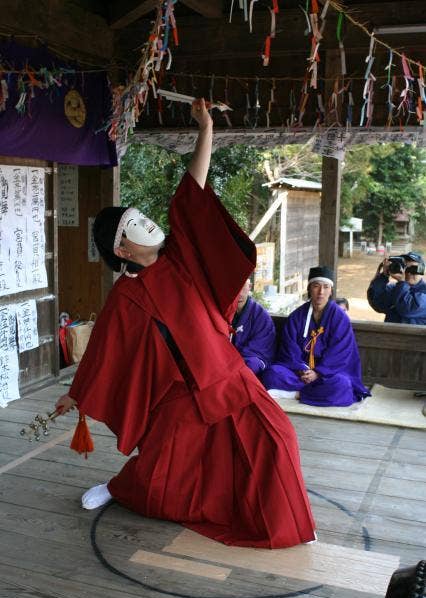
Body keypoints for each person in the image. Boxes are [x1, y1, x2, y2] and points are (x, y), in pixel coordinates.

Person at [55, 99, 315, 549]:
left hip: (229, 375)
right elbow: (105, 355)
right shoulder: (126, 297)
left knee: (278, 439)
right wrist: (74, 394)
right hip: (180, 395)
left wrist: (206, 128)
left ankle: (284, 520)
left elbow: (192, 190)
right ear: (123, 251)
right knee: (161, 480)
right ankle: (120, 488)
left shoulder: (182, 258)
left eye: (141, 215)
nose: (146, 222)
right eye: (133, 225)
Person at [262, 266, 370, 407]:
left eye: (326, 287)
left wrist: (318, 373)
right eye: (316, 286)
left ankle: (296, 394)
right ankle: (315, 393)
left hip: (328, 374)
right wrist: (302, 369)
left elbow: (341, 352)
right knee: (272, 373)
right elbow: (289, 348)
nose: (321, 292)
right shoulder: (296, 317)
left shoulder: (339, 318)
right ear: (309, 288)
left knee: (341, 385)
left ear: (331, 290)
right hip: (300, 372)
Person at [231, 279, 276, 376]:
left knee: (249, 367)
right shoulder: (225, 312)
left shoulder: (261, 315)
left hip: (253, 357)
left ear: (249, 287)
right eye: (235, 287)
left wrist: (235, 357)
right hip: (229, 356)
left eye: (243, 286)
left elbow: (261, 345)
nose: (239, 293)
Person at [367, 251, 426, 324]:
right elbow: (376, 302)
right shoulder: (395, 288)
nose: (409, 273)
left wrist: (402, 282)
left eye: (414, 269)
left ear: (422, 271)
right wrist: (384, 276)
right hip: (390, 334)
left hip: (414, 335)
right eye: (405, 269)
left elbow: (407, 310)